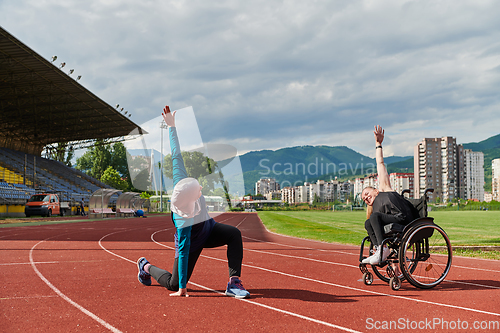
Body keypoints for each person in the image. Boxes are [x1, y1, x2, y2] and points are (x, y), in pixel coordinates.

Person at [136, 105, 250, 299]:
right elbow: (183, 252)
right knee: (172, 284)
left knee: (234, 234)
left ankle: (234, 282)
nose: (201, 189)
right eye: (199, 190)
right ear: (192, 198)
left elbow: (176, 153)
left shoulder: (182, 180)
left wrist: (171, 126)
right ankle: (145, 266)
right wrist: (183, 289)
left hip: (210, 229)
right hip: (193, 241)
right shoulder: (184, 222)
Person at [361, 125, 419, 265]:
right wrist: (397, 272)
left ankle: (381, 250)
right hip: (393, 224)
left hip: (404, 218)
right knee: (368, 222)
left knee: (374, 217)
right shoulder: (376, 210)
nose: (366, 198)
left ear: (376, 190)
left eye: (367, 194)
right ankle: (380, 250)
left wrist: (378, 144)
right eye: (364, 199)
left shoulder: (384, 188)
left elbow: (380, 163)